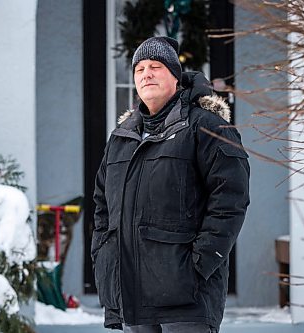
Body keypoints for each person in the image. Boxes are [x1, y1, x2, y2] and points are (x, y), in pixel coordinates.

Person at [92, 36, 250, 333]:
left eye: (155, 66)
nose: (146, 74)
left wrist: (199, 265)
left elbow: (230, 199)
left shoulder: (207, 127)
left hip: (186, 298)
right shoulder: (121, 138)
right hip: (132, 296)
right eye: (139, 69)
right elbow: (102, 207)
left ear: (175, 76)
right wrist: (104, 259)